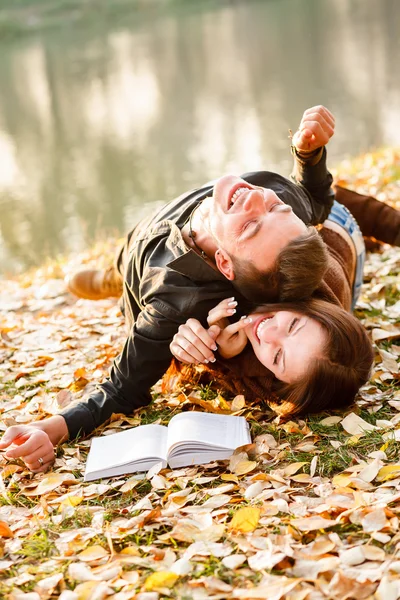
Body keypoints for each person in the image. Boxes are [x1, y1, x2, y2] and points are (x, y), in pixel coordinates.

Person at [0, 105, 340, 472]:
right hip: (142, 235)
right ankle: (111, 275)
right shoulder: (280, 200)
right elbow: (317, 202)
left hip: (145, 281)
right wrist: (309, 154)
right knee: (122, 258)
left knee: (131, 281)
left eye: (250, 227)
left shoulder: (174, 303)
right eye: (277, 210)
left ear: (224, 263)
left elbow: (122, 388)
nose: (258, 199)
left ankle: (118, 287)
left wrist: (49, 429)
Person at [169, 199, 375, 417]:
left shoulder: (296, 374)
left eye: (277, 357)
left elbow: (237, 379)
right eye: (293, 325)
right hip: (338, 225)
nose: (267, 333)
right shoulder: (308, 279)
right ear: (313, 308)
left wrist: (221, 351)